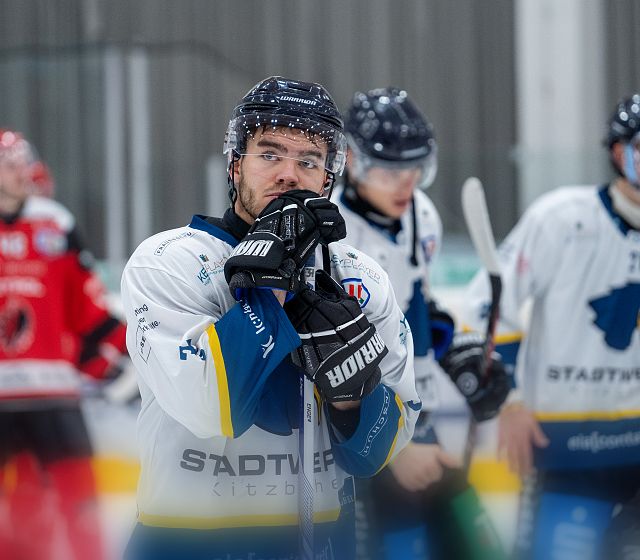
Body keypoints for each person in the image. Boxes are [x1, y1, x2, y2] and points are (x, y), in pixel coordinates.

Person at [120, 76, 421, 560]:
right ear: (236, 164)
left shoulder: (359, 276)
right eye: (270, 154)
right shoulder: (168, 261)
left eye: (308, 161)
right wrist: (271, 290)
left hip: (322, 541)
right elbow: (209, 407)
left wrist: (351, 402)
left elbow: (382, 446)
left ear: (328, 177)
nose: (289, 174)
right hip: (187, 544)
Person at [334, 87, 510, 560]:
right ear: (351, 160)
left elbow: (420, 309)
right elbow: (331, 357)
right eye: (390, 169)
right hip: (358, 443)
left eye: (416, 168)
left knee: (477, 547)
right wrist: (389, 449)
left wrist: (464, 358)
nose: (406, 183)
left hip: (415, 422)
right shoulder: (329, 230)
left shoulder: (421, 216)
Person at [463, 93, 640, 560]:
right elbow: (487, 303)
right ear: (619, 153)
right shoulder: (561, 219)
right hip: (566, 449)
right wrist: (511, 400)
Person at [0, 129, 128, 560]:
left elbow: (87, 309)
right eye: (10, 164)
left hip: (53, 397)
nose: (23, 171)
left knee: (82, 511)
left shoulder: (55, 222)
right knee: (14, 523)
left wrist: (139, 346)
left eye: (23, 162)